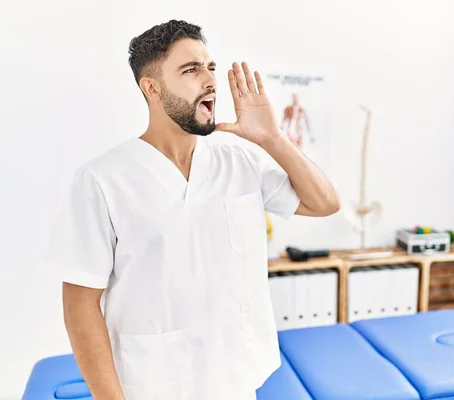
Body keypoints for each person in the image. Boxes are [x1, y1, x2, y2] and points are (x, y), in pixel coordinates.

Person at [39, 20, 339, 400]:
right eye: (191, 70)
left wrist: (273, 139)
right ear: (152, 87)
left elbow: (324, 203)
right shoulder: (103, 180)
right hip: (152, 385)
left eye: (210, 67)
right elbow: (79, 307)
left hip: (237, 378)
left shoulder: (239, 161)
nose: (210, 80)